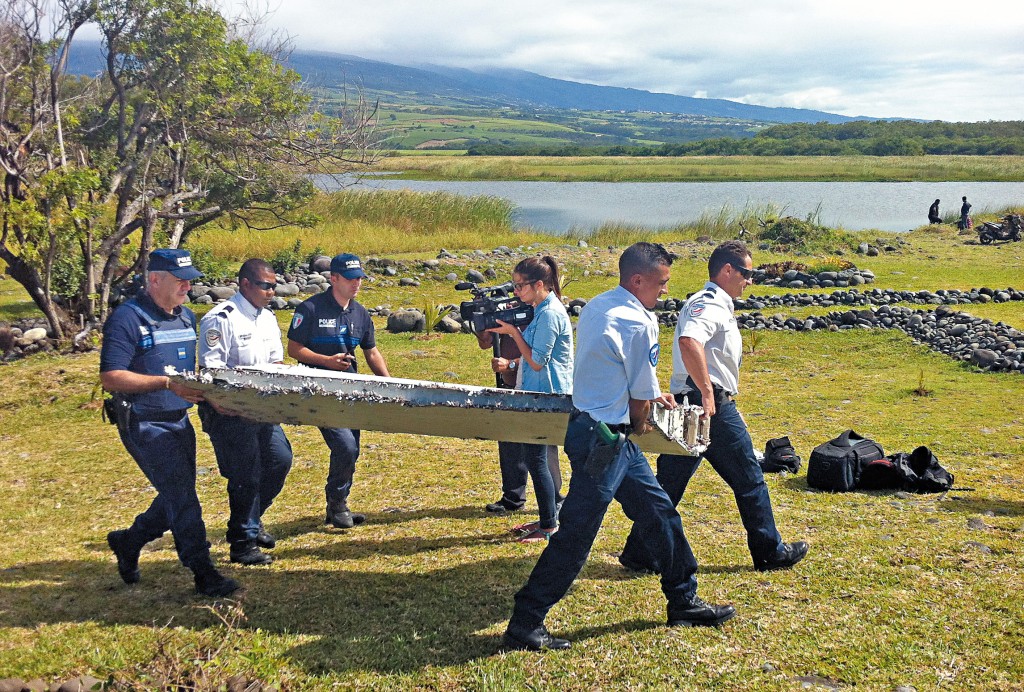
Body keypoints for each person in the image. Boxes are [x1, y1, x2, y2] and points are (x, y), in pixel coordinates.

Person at [501, 242, 735, 652]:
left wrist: (646, 395)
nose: (665, 290)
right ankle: (525, 622)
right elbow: (639, 405)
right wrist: (644, 418)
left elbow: (612, 368)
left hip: (593, 430)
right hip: (607, 440)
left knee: (660, 514)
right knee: (576, 533)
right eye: (661, 283)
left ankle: (683, 599)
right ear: (638, 280)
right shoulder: (639, 323)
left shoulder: (597, 306)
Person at [618, 240, 808, 576]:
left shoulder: (714, 304)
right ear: (727, 270)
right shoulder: (710, 304)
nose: (749, 280)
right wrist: (708, 392)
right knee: (749, 479)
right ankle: (770, 551)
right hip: (709, 405)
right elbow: (689, 341)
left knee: (670, 483)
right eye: (746, 273)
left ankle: (641, 552)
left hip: (696, 401)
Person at [101, 248, 240, 598]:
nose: (187, 287)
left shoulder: (187, 318)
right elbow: (111, 376)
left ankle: (129, 540)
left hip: (179, 418)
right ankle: (203, 571)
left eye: (190, 281)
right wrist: (165, 384)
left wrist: (210, 396)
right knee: (182, 496)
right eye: (180, 281)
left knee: (175, 494)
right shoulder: (127, 318)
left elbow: (187, 372)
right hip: (144, 421)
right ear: (154, 280)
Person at [198, 258, 293, 566]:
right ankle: (242, 543)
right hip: (230, 411)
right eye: (266, 286)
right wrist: (227, 403)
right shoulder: (221, 319)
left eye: (274, 286)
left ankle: (252, 520)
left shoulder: (267, 318)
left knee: (279, 461)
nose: (271, 292)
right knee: (245, 475)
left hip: (263, 409)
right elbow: (211, 371)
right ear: (246, 284)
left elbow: (276, 363)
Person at [287, 253, 390, 529]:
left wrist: (390, 384)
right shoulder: (310, 309)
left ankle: (337, 503)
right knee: (344, 445)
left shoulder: (360, 313)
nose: (357, 284)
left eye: (360, 279)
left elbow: (371, 352)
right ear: (333, 278)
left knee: (352, 448)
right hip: (319, 391)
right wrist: (327, 362)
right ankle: (338, 504)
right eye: (350, 278)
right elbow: (294, 349)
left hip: (350, 391)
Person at [487, 256, 573, 543]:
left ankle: (549, 525)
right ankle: (548, 518)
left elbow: (537, 361)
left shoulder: (550, 314)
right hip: (537, 392)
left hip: (547, 394)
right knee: (534, 458)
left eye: (520, 285)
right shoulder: (540, 309)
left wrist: (513, 333)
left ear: (538, 285)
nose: (516, 291)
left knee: (536, 460)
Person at [476, 330, 565, 516]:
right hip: (509, 386)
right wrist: (481, 326)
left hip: (536, 388)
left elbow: (542, 355)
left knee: (543, 444)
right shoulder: (504, 315)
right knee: (509, 440)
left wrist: (511, 364)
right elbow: (485, 343)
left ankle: (554, 499)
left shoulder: (541, 316)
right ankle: (512, 498)